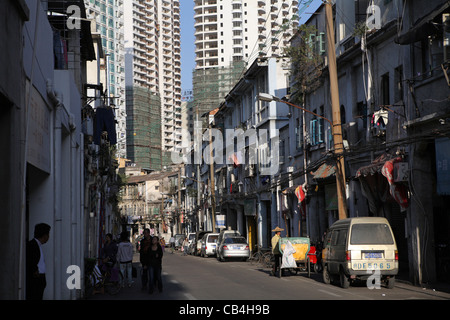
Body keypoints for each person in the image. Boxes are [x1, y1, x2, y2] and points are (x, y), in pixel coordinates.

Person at [26, 223, 51, 300]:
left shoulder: (37, 245)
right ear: (44, 235)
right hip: (35, 280)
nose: (48, 237)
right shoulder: (33, 245)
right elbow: (31, 260)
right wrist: (35, 271)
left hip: (39, 279)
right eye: (48, 234)